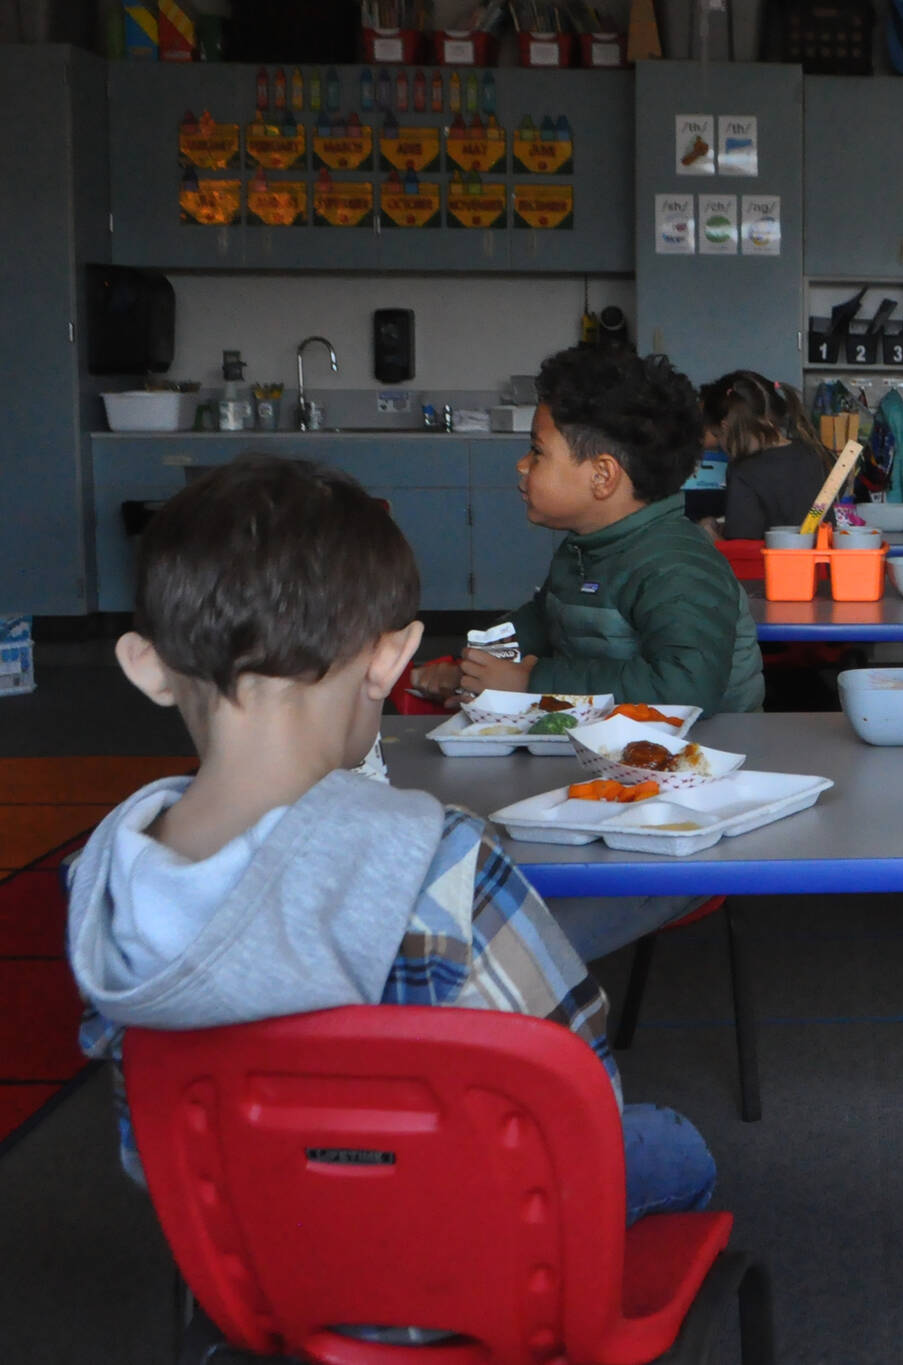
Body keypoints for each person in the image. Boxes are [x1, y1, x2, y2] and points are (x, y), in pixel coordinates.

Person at [67, 455, 715, 1232]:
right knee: (677, 1146)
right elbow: (577, 1102)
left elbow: (151, 1155)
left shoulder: (100, 881)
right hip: (460, 1252)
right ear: (390, 658)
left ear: (148, 667)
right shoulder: (440, 861)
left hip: (257, 1261)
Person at [414, 345, 765, 714]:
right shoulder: (584, 548)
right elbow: (547, 619)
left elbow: (686, 688)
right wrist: (477, 664)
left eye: (537, 452)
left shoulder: (678, 567)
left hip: (706, 758)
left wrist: (528, 684)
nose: (521, 466)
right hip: (610, 747)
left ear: (603, 475)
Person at [698, 370, 835, 540]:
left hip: (774, 566)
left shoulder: (744, 472)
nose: (721, 446)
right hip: (822, 564)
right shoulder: (814, 452)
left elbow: (742, 550)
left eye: (718, 436)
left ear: (726, 427)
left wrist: (711, 536)